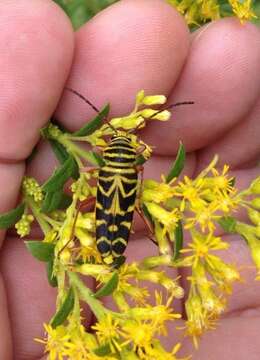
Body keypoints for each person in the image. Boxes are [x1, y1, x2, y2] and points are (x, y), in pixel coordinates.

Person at [0, 0, 259, 359]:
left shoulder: (106, 168)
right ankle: (117, 241)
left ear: (111, 155)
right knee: (126, 208)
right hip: (117, 217)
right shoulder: (128, 169)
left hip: (110, 210)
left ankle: (98, 239)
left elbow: (95, 178)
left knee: (108, 207)